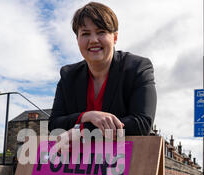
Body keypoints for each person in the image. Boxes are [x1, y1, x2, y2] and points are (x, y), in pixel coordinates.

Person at [48, 2, 157, 139]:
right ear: (77, 39)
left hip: (127, 158)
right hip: (79, 159)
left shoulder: (138, 68)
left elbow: (141, 124)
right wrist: (87, 116)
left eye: (101, 32)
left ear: (115, 37)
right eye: (85, 34)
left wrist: (81, 131)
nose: (93, 40)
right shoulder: (68, 75)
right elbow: (54, 125)